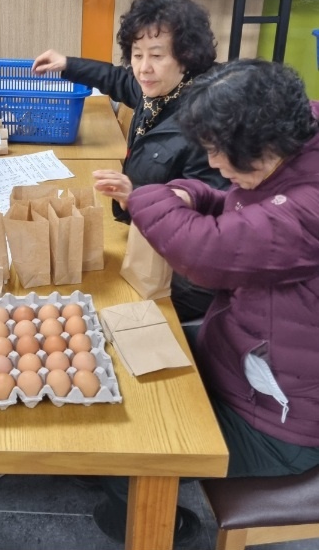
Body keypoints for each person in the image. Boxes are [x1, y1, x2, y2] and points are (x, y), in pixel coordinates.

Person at [93, 59, 319, 546]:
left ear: (264, 148)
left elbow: (209, 252)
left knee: (129, 451)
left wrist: (147, 199)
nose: (214, 164)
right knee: (117, 364)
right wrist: (186, 193)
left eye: (218, 152)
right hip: (247, 360)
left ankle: (159, 528)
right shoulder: (290, 146)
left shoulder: (307, 209)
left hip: (282, 419)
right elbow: (237, 205)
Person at [32, 0, 228, 321]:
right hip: (141, 231)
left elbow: (207, 215)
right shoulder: (163, 89)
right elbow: (120, 79)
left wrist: (136, 197)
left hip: (179, 273)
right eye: (137, 55)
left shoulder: (206, 121)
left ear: (186, 57)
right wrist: (68, 65)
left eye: (157, 56)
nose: (143, 68)